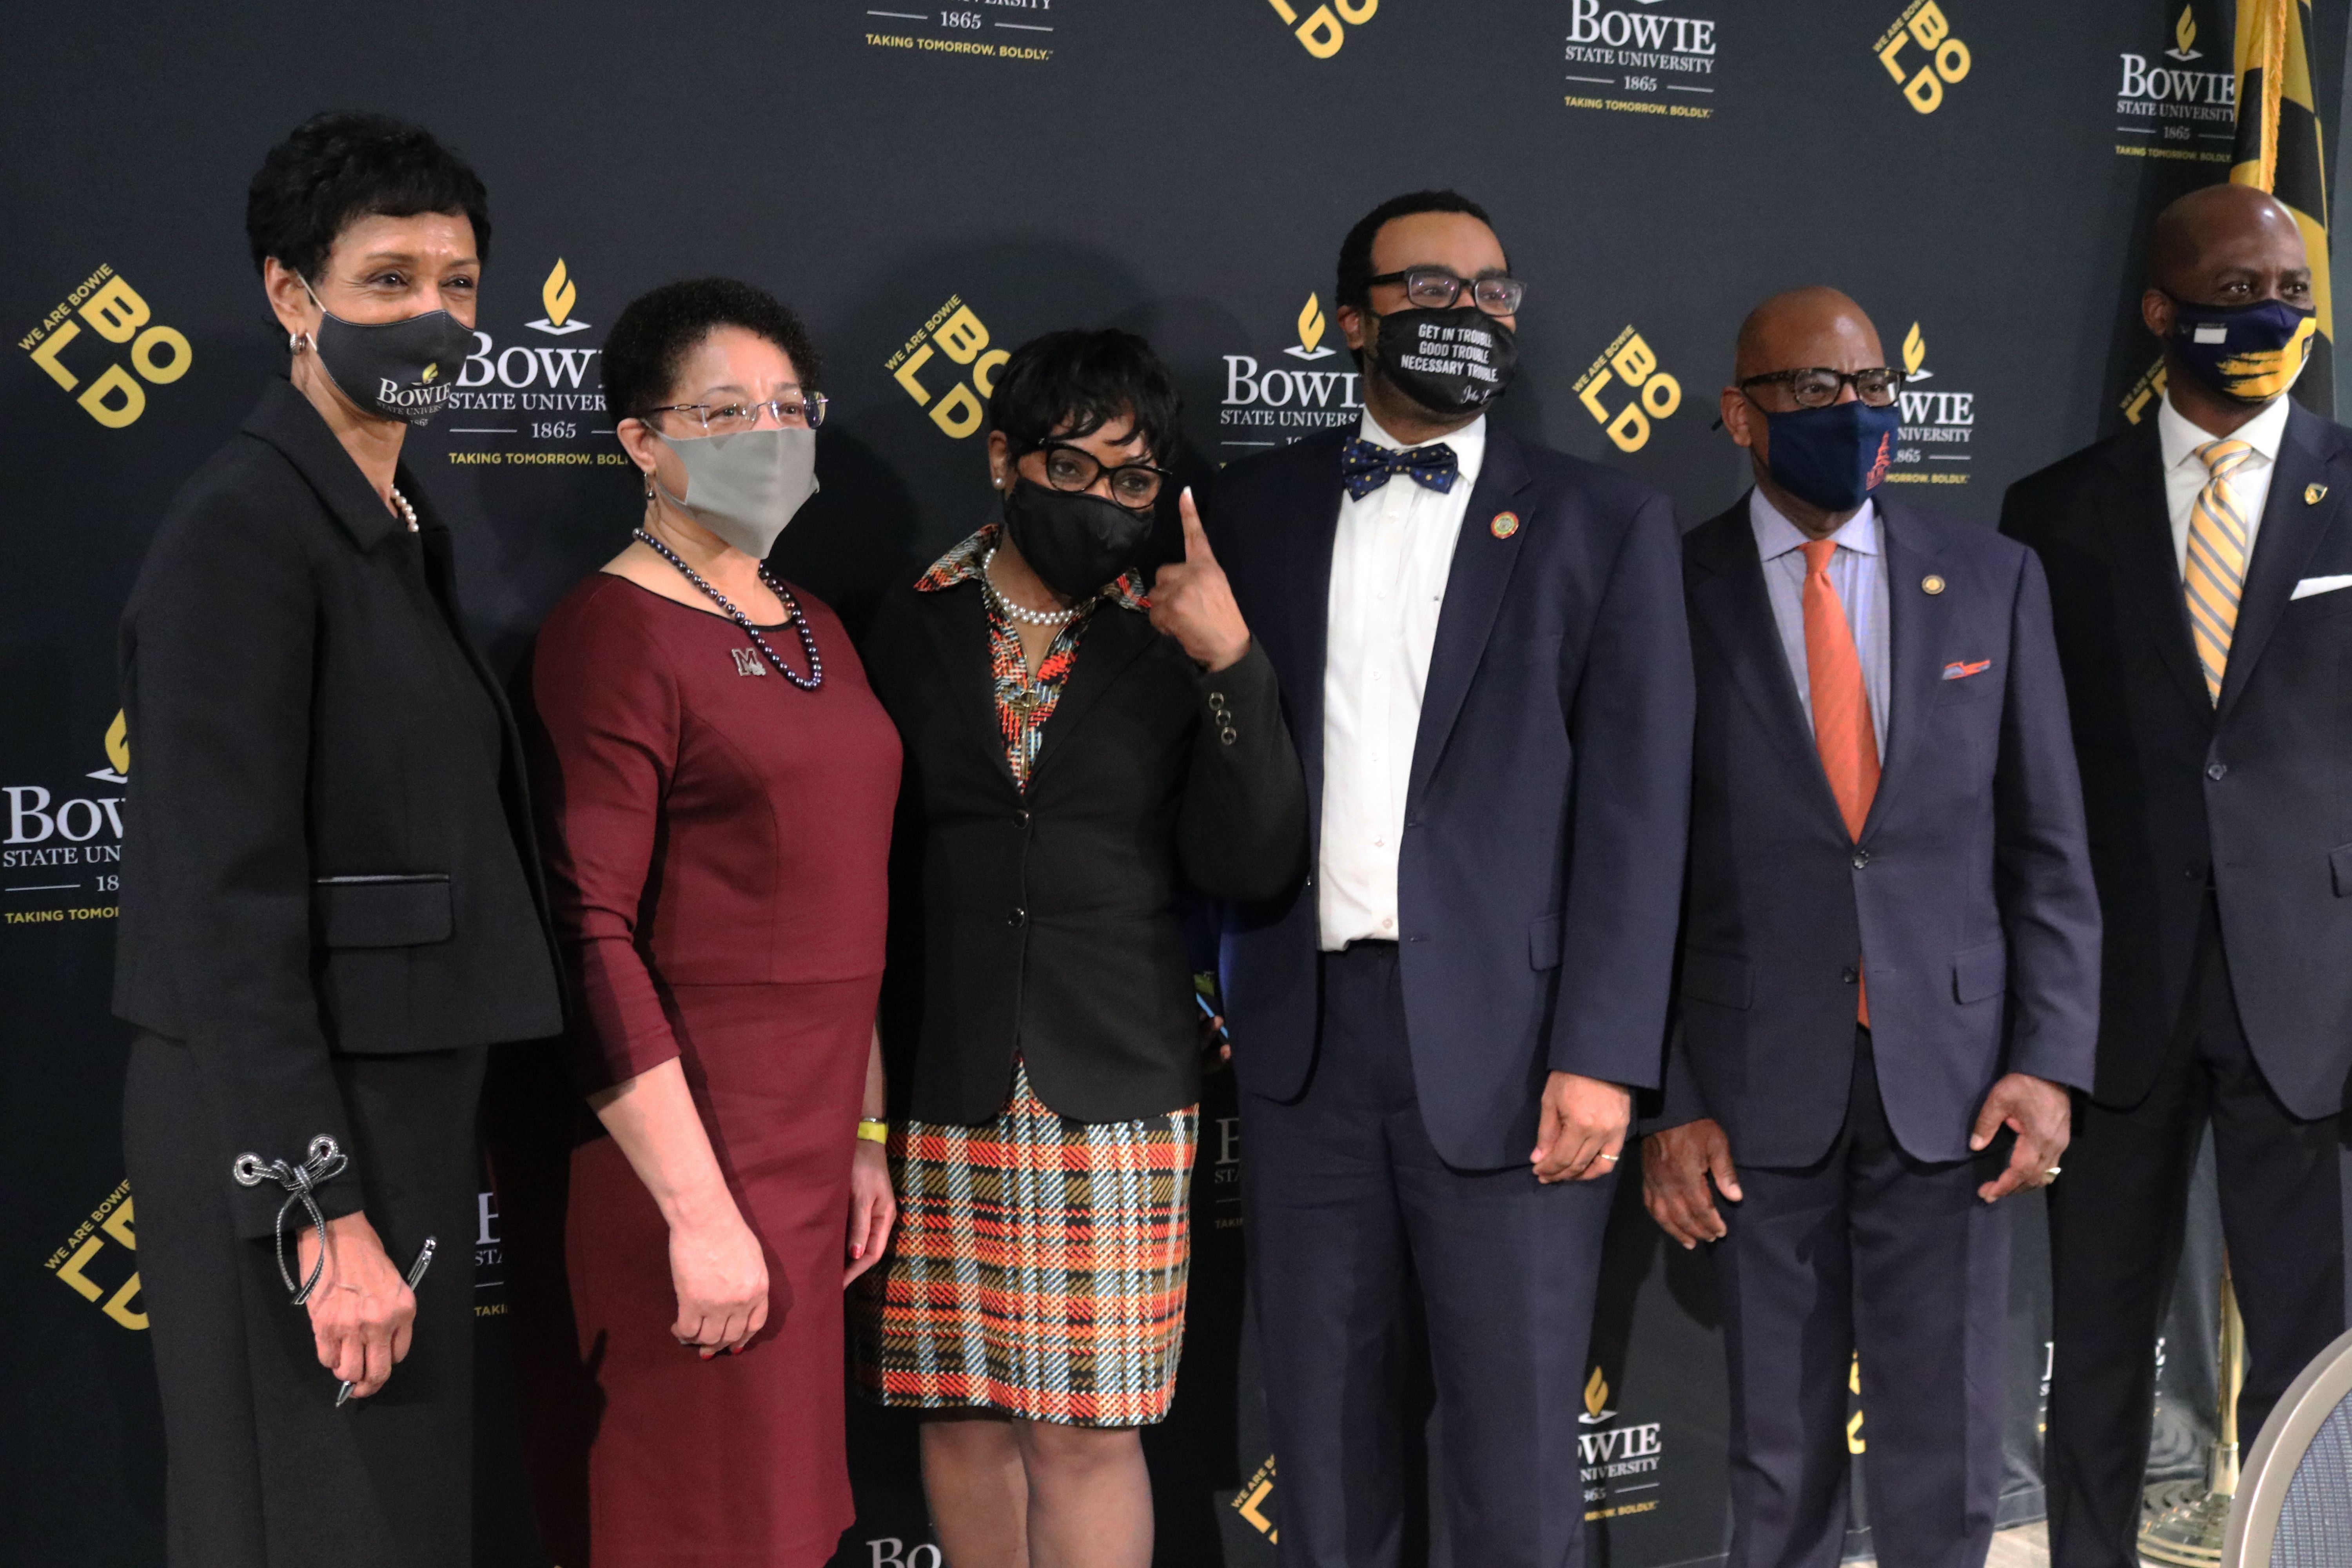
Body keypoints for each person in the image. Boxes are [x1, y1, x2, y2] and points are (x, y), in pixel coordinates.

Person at [1204, 189, 1693, 1568]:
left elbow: (1640, 814)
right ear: (1353, 317)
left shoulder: (1605, 521)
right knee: (1322, 1430)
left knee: (1517, 1439)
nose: (1464, 313)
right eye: (1428, 286)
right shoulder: (1252, 510)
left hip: (1522, 1051)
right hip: (1305, 1042)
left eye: (1490, 292)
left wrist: (1603, 1054)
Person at [111, 112, 560, 1568]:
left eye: (460, 280)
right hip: (299, 1136)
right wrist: (321, 1211)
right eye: (387, 282)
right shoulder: (243, 528)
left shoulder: (389, 508)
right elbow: (218, 904)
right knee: (312, 1525)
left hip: (398, 1111)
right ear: (290, 297)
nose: (434, 316)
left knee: (385, 1517)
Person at [1641, 287, 2100, 1568]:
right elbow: (1634, 876)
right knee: (1776, 1454)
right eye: (1812, 391)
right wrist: (1671, 1094)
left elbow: (2050, 849)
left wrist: (2050, 1059)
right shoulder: (1666, 590)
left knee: (1946, 1449)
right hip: (1752, 1086)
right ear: (1740, 413)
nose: (1854, 415)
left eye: (1871, 386)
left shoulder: (1995, 581)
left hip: (1952, 1084)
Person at [853, 328, 1307, 1568]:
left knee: (1085, 1433)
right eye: (1077, 468)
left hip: (1111, 1080)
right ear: (1004, 458)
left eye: (1134, 480)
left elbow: (1256, 859)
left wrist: (1232, 661)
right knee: (958, 1416)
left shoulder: (1171, 632)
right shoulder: (911, 616)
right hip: (944, 1073)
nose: (1105, 502)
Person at [494, 278, 901, 1568]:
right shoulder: (610, 635)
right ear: (641, 441)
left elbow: (850, 904)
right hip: (676, 1172)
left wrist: (865, 1128)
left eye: (790, 406)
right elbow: (587, 933)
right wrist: (699, 1212)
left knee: (780, 1527)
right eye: (726, 412)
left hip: (804, 1159)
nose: (770, 435)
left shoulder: (819, 626)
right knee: (684, 1525)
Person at [2001, 183, 2352, 1568]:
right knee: (2094, 1345)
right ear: (2162, 311)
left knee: (2315, 1349)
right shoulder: (2053, 511)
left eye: (2293, 293)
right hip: (2111, 999)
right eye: (2235, 290)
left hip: (2309, 1004)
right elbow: (2020, 777)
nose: (2268, 315)